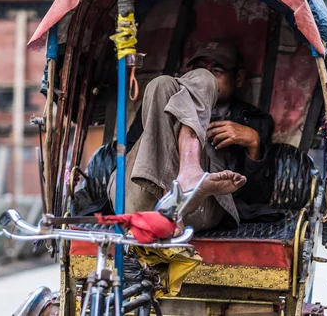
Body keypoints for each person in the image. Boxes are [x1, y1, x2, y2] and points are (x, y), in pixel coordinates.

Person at [108, 40, 275, 233]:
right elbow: (131, 162)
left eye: (217, 71)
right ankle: (183, 181)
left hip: (198, 207)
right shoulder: (160, 101)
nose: (208, 75)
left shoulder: (253, 120)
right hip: (134, 197)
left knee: (185, 82)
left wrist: (253, 143)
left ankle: (176, 198)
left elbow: (257, 197)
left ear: (238, 77)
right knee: (161, 84)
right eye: (199, 68)